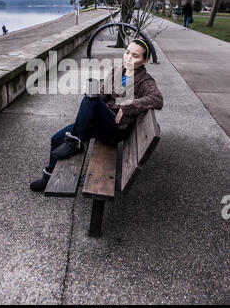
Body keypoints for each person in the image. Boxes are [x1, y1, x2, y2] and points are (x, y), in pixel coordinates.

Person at [30, 38, 164, 192]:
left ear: (145, 60)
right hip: (100, 123)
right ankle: (48, 176)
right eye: (127, 52)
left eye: (135, 56)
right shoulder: (117, 71)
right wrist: (94, 94)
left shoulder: (145, 81)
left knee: (90, 99)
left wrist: (128, 105)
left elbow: (157, 99)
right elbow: (102, 94)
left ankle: (75, 141)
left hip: (115, 129)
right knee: (56, 139)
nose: (128, 58)